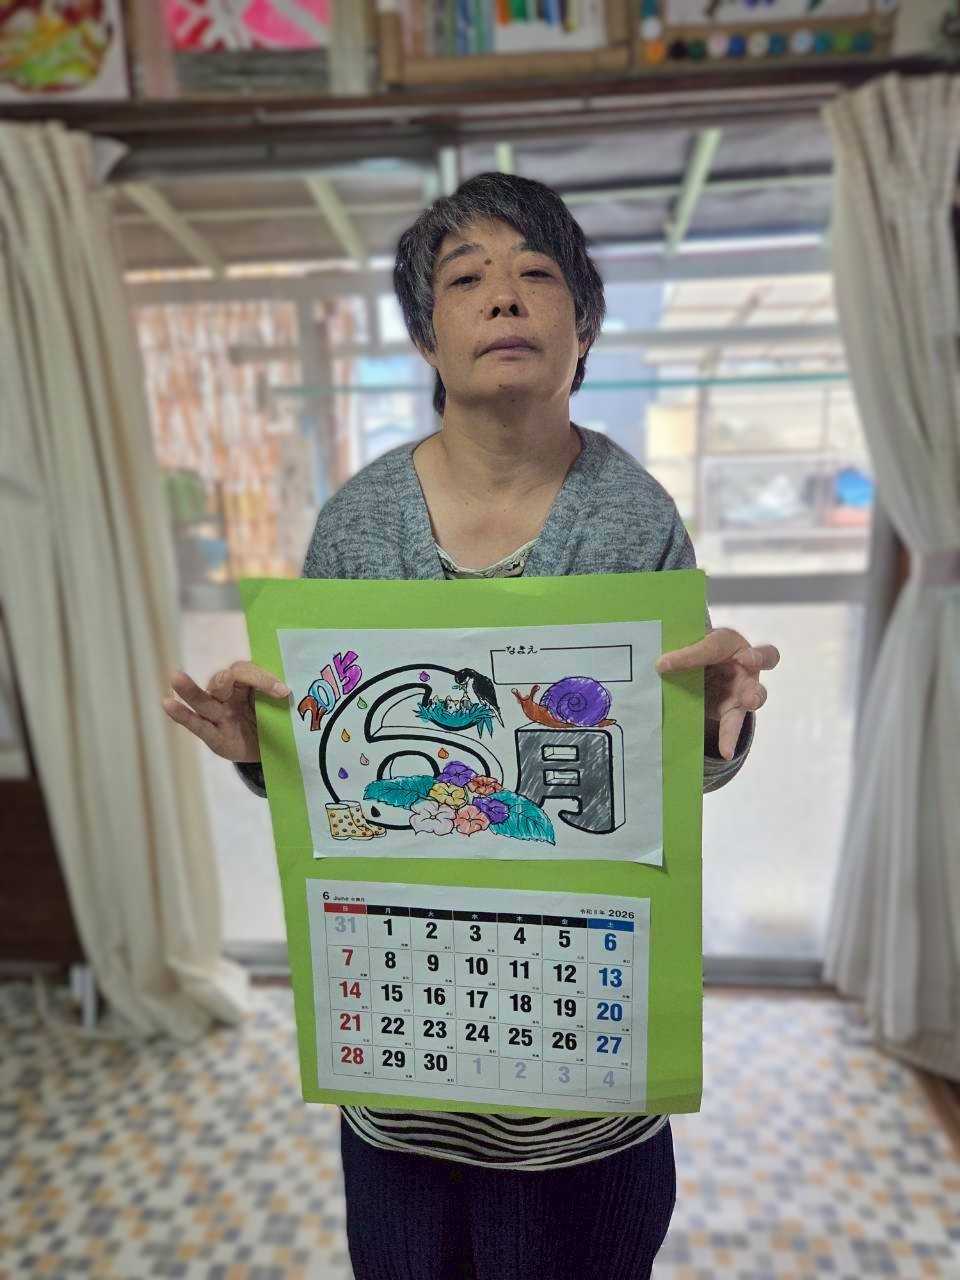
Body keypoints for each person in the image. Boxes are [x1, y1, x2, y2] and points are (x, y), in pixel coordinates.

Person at [162, 172, 780, 1280]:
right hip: (406, 1056)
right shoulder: (359, 520)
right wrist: (267, 753)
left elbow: (657, 769)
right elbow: (341, 774)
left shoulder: (634, 514)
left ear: (582, 327)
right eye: (465, 279)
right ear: (426, 337)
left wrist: (716, 728)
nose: (504, 295)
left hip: (585, 1066)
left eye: (537, 272)